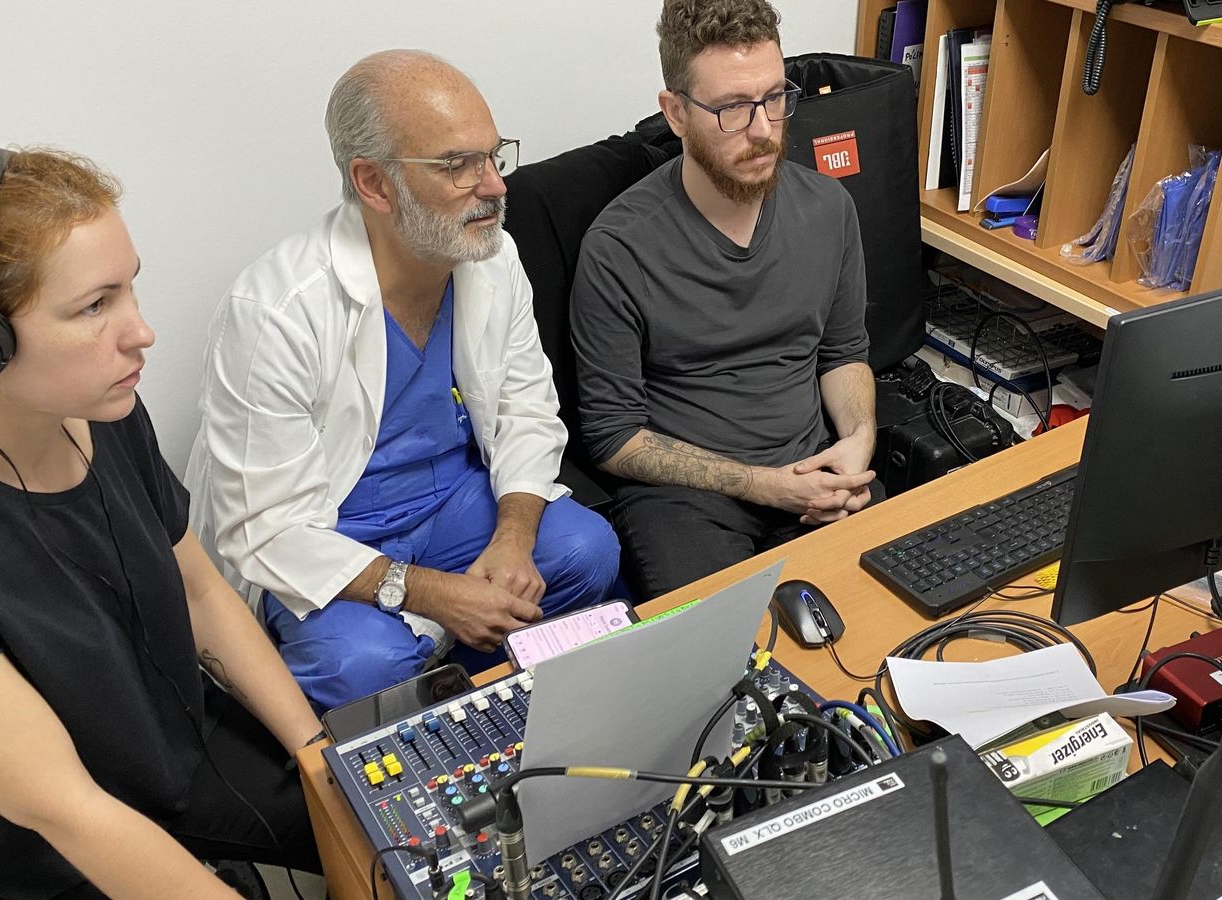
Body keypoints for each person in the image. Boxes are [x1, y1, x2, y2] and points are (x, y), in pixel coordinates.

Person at [0, 142, 322, 899]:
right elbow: (65, 810)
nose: (141, 333)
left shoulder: (105, 409)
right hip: (36, 856)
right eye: (94, 306)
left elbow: (200, 592)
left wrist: (318, 757)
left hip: (173, 746)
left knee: (382, 826)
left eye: (129, 288)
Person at [186, 50, 621, 712]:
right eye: (457, 165)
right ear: (374, 183)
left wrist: (512, 539)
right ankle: (438, 664)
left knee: (587, 551)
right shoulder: (275, 310)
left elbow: (527, 412)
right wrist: (433, 594)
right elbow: (268, 529)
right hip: (332, 535)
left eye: (493, 155)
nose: (495, 186)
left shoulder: (492, 255)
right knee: (361, 666)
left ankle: (457, 669)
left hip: (450, 506)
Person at [570, 0, 879, 602]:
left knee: (901, 616)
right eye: (733, 108)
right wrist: (766, 485)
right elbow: (613, 437)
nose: (763, 130)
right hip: (688, 499)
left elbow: (844, 354)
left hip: (815, 472)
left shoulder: (828, 208)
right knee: (720, 655)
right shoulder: (619, 247)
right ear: (676, 113)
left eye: (774, 97)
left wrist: (858, 441)